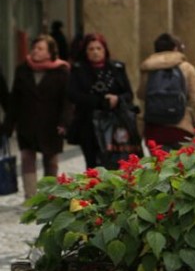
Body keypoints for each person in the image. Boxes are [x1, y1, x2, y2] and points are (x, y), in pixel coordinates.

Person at [6, 36, 69, 198]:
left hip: (51, 123)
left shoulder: (61, 71)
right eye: (34, 47)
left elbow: (67, 100)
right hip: (27, 122)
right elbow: (15, 99)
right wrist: (8, 124)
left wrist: (64, 122)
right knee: (27, 157)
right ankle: (31, 197)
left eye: (40, 48)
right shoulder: (23, 69)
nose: (35, 51)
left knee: (51, 160)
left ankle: (50, 196)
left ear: (50, 52)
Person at [67, 32, 134, 170]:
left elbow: (128, 94)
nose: (95, 52)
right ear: (85, 51)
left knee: (118, 162)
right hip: (88, 124)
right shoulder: (79, 70)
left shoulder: (117, 68)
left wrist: (117, 99)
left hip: (115, 123)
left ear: (105, 50)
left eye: (99, 48)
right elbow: (73, 95)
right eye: (91, 49)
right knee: (93, 164)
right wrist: (99, 101)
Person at [137, 33, 195, 151]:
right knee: (181, 167)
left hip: (154, 130)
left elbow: (141, 94)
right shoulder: (186, 68)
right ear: (175, 48)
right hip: (181, 129)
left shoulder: (148, 68)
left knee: (160, 167)